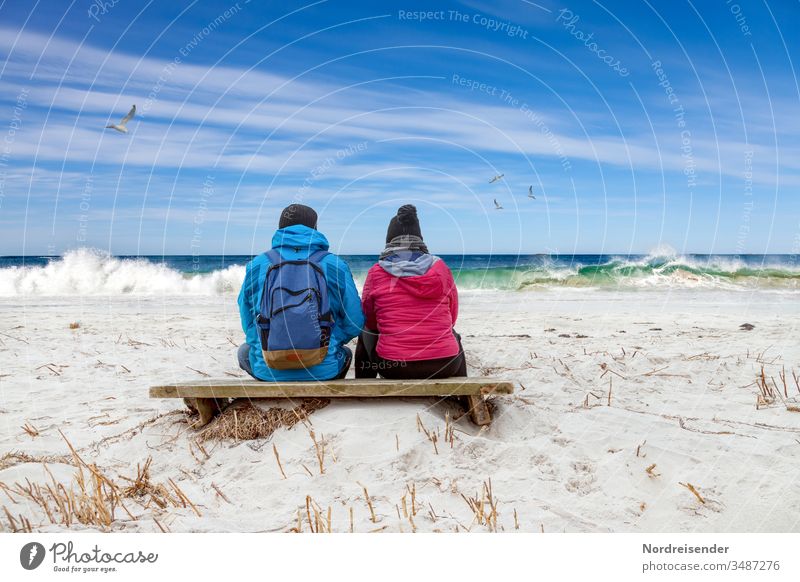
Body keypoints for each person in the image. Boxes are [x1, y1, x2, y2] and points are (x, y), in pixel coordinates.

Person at [237, 204, 364, 381]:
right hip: (324, 371)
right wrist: (333, 340)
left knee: (244, 351)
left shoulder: (258, 264)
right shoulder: (335, 264)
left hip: (269, 371)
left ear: (280, 228)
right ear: (315, 228)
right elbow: (355, 321)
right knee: (346, 353)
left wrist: (260, 341)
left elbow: (247, 320)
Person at [356, 204, 466, 379]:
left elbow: (370, 320)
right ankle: (463, 396)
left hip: (393, 366)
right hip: (445, 364)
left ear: (389, 240)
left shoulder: (376, 271)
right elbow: (451, 318)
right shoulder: (441, 268)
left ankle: (362, 393)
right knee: (452, 334)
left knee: (365, 332)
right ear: (419, 237)